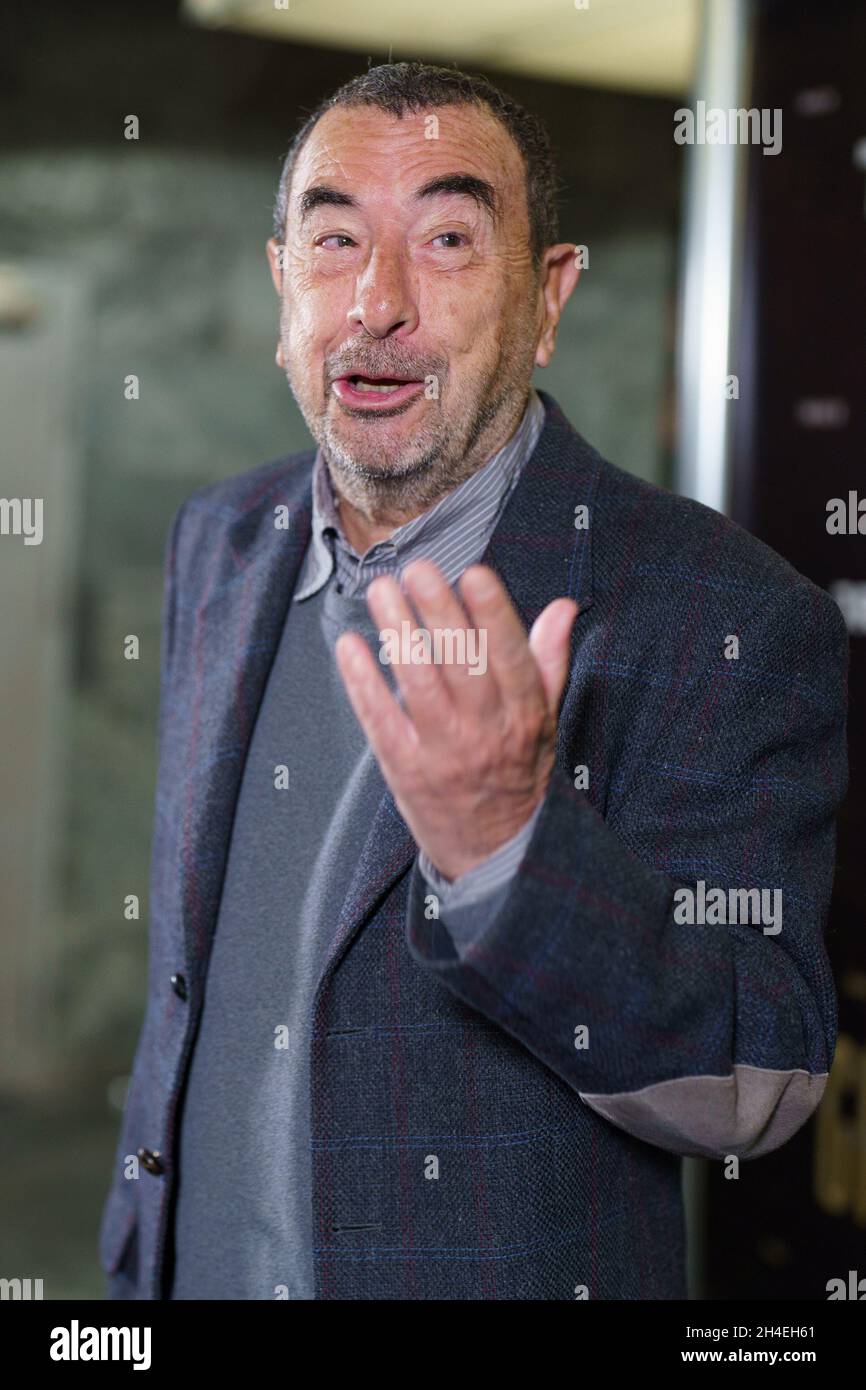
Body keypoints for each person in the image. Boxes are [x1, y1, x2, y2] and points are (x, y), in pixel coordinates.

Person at [98, 61, 848, 1301]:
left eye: (446, 239)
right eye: (334, 241)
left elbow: (758, 1082)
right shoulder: (219, 542)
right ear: (283, 280)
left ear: (545, 298)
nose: (374, 303)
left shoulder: (722, 613)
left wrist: (507, 849)